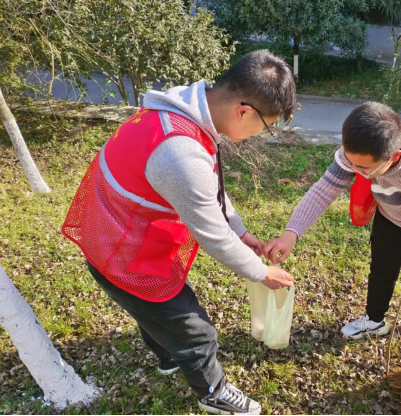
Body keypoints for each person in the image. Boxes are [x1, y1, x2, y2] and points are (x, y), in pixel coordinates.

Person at [62, 50, 296, 415]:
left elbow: (207, 186)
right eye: (265, 127)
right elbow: (211, 233)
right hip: (123, 251)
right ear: (243, 112)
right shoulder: (179, 151)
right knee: (195, 331)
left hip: (116, 232)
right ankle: (212, 392)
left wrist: (241, 231)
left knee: (153, 313)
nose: (257, 136)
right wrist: (260, 271)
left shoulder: (186, 109)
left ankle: (170, 356)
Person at [265, 102, 401, 352]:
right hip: (390, 217)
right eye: (350, 161)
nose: (353, 169)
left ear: (394, 157)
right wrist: (291, 233)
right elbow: (324, 190)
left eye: (362, 168)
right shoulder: (356, 153)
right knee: (381, 271)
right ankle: (375, 321)